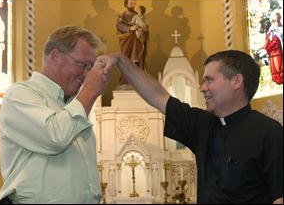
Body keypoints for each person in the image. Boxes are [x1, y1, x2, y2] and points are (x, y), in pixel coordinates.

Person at [96, 50, 283, 204]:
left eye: (209, 80)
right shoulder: (202, 125)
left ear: (236, 81)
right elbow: (157, 96)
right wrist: (121, 60)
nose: (202, 88)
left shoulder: (270, 133)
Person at [0, 26, 112, 204]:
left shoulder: (73, 105)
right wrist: (89, 91)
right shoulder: (19, 95)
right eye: (82, 65)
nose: (87, 74)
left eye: (91, 67)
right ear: (56, 56)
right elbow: (55, 136)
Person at [116, 0, 147, 86]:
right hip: (126, 40)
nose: (132, 5)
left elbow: (144, 26)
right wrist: (130, 28)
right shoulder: (122, 15)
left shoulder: (137, 15)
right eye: (131, 3)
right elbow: (119, 25)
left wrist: (142, 29)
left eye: (134, 3)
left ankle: (137, 79)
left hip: (137, 40)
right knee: (126, 59)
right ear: (126, 4)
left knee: (137, 59)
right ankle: (125, 80)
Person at [264, 9, 283, 85]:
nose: (273, 23)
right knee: (273, 67)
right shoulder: (271, 30)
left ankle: (280, 79)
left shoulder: (280, 30)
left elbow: (276, 42)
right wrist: (265, 47)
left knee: (279, 67)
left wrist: (267, 48)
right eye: (272, 21)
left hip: (278, 52)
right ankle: (276, 79)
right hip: (272, 53)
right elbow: (267, 40)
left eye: (274, 21)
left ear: (278, 20)